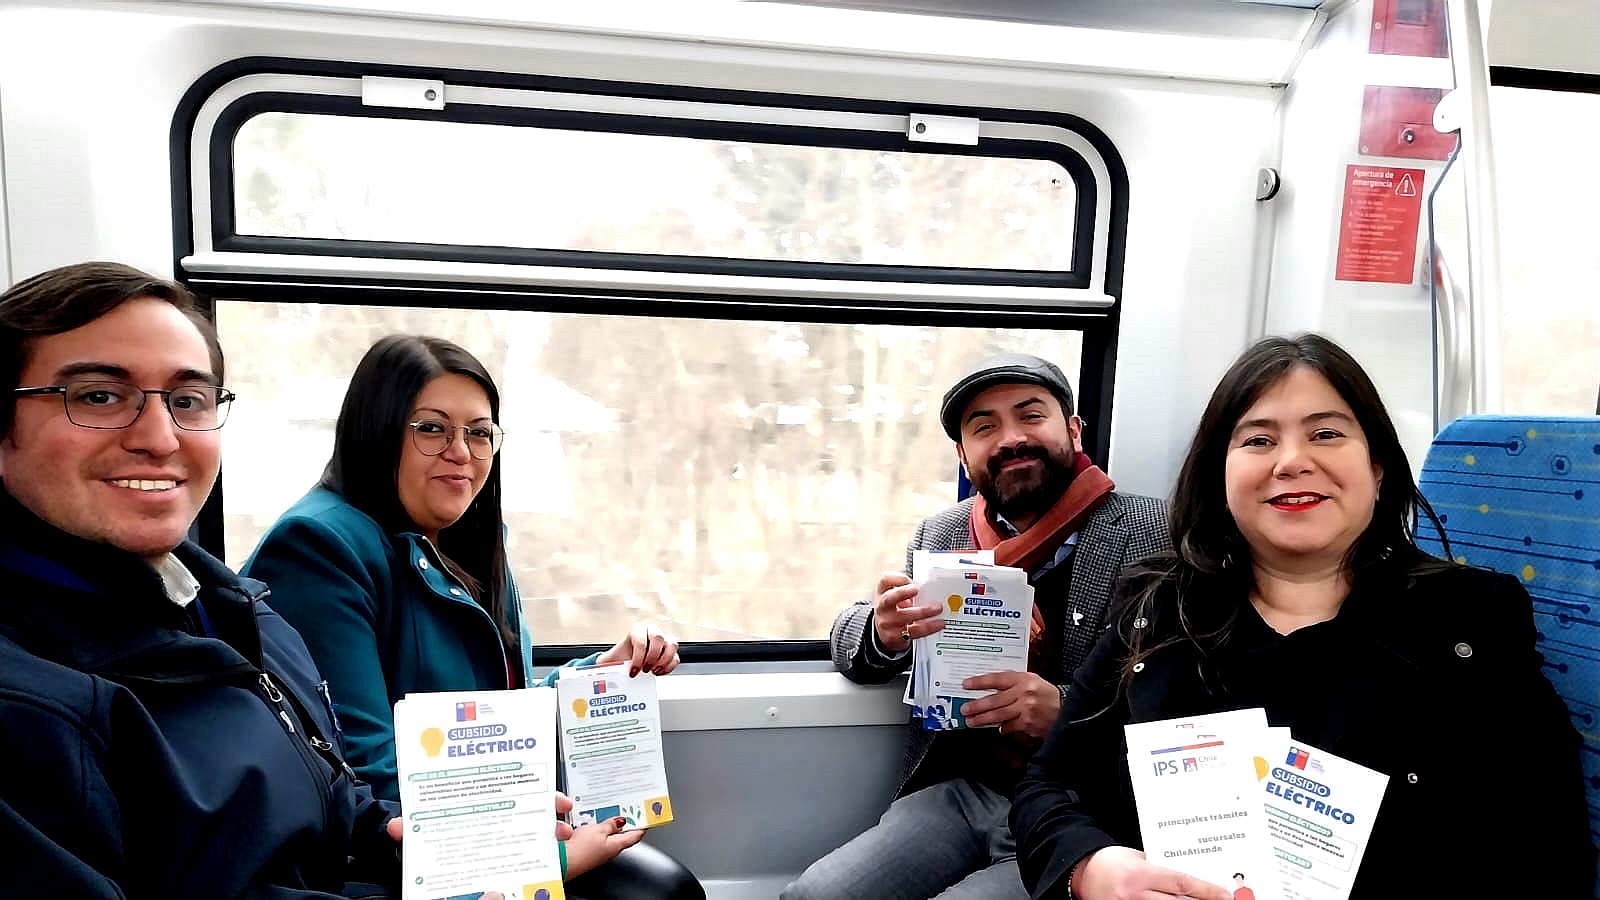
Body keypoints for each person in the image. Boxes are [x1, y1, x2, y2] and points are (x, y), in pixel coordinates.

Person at [1011, 334, 1596, 899]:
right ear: (1220, 475)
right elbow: (1048, 784)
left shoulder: (1471, 620)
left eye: (1326, 434)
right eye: (1259, 440)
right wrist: (1089, 868)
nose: (1292, 461)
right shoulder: (1159, 607)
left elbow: (1548, 852)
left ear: (1378, 466)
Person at [241, 334, 703, 899]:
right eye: (432, 429)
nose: (461, 451)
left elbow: (497, 718)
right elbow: (362, 767)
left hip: (481, 816)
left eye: (479, 433)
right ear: (378, 431)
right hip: (388, 851)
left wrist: (599, 675)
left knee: (668, 888)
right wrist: (546, 859)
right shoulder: (320, 548)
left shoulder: (469, 543)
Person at [0, 262, 402, 898]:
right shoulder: (24, 702)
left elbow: (317, 807)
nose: (160, 439)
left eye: (187, 401)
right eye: (99, 397)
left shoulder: (240, 613)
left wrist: (423, 841)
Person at [785, 354, 1170, 899]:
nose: (1011, 439)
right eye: (985, 428)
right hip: (964, 792)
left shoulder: (1154, 532)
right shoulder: (943, 535)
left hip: (1083, 811)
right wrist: (884, 632)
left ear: (1073, 430)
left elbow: (1187, 696)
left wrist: (1067, 713)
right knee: (815, 894)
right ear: (964, 456)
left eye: (1031, 416)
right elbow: (848, 638)